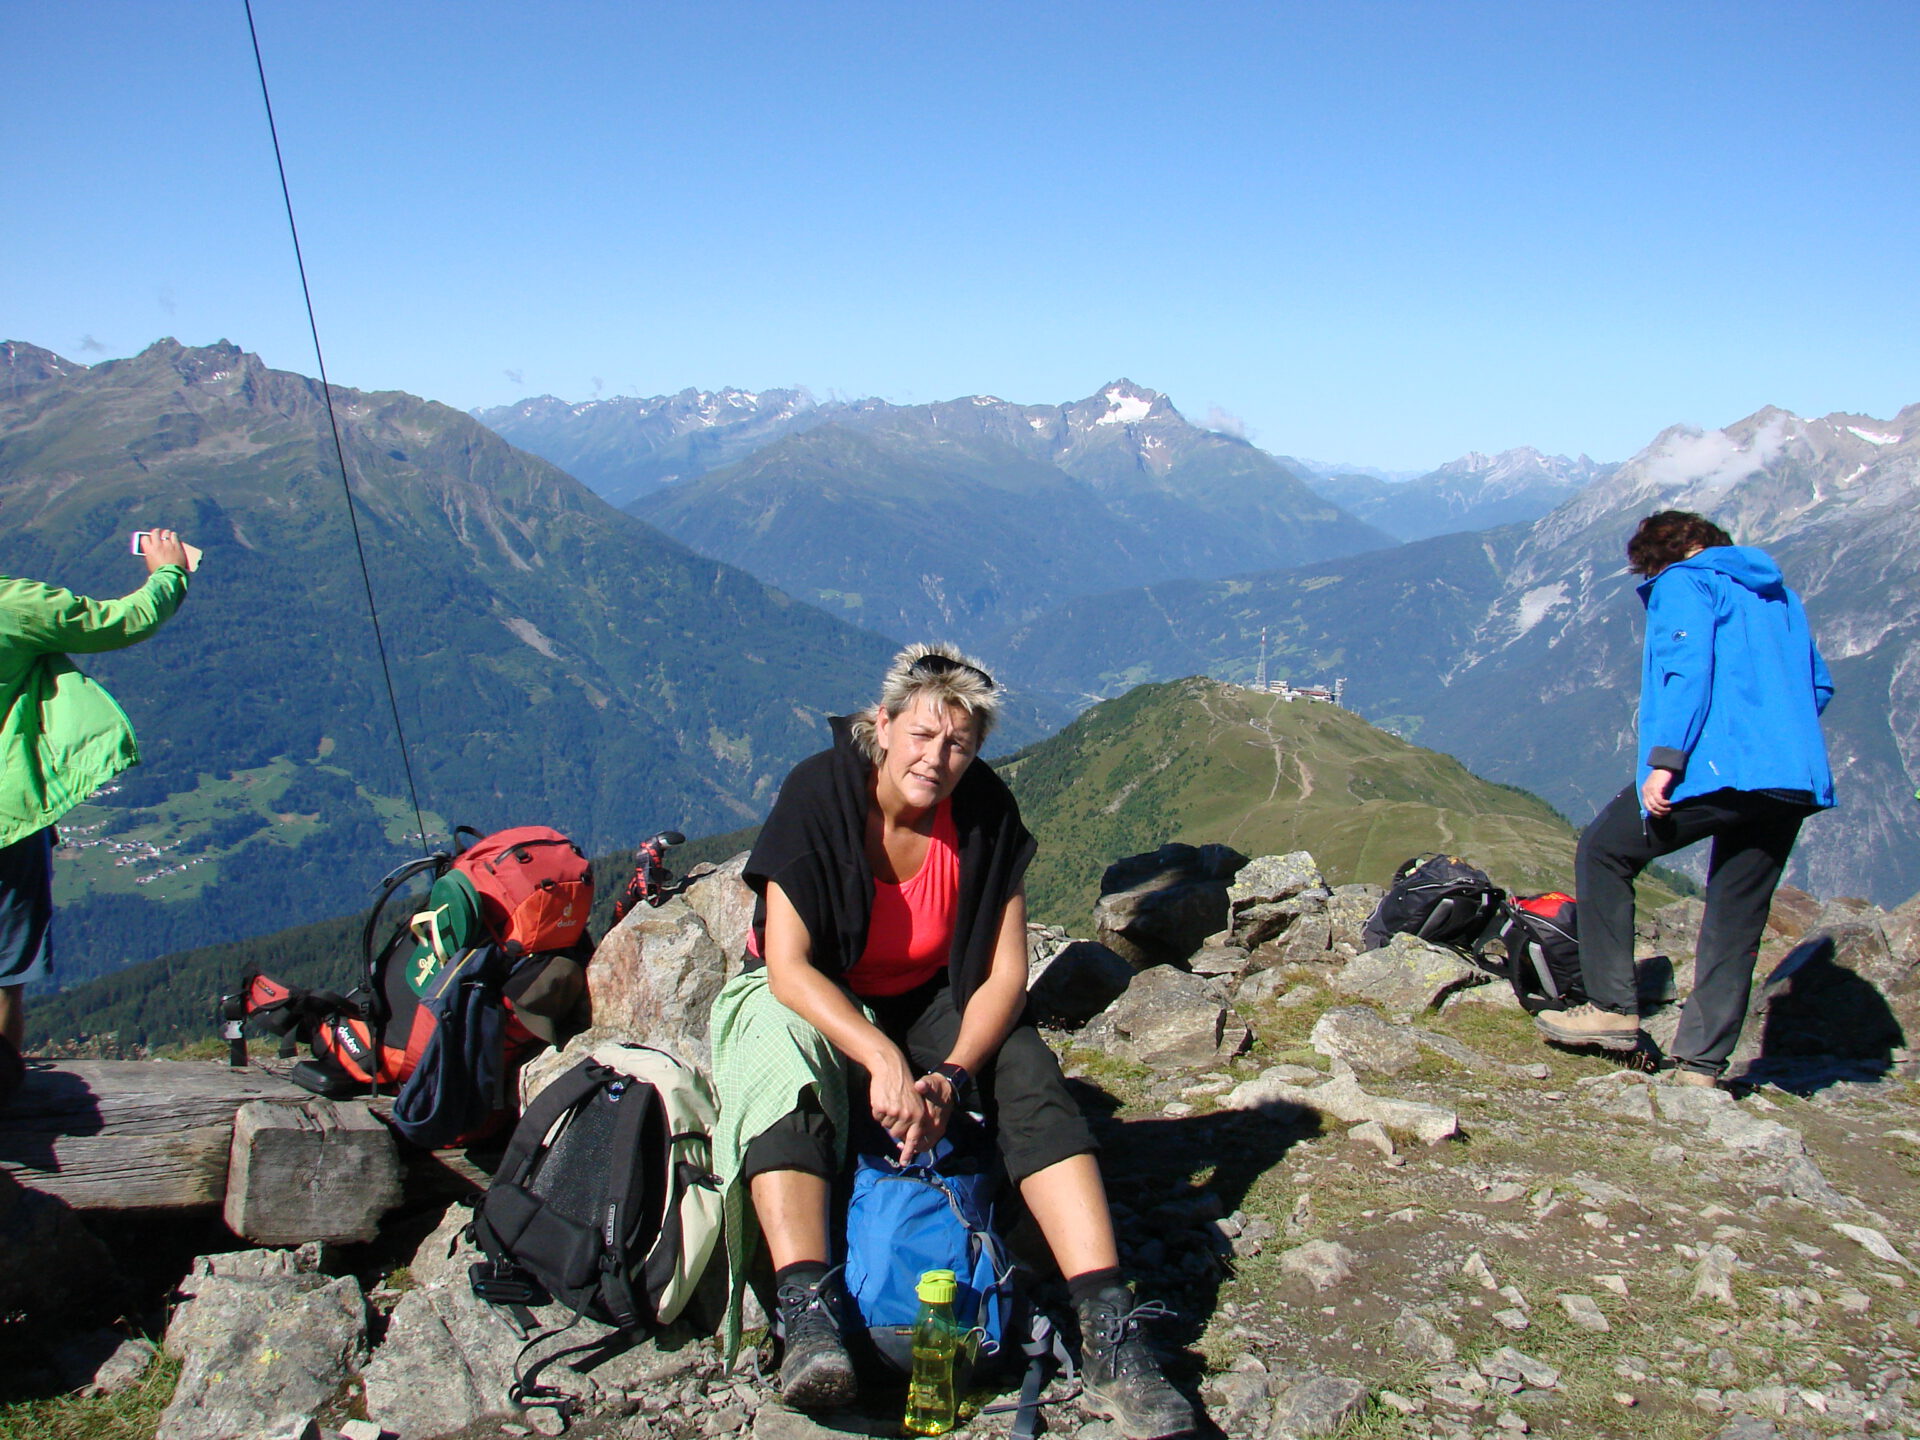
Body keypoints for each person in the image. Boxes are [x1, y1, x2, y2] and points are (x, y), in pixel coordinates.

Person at [710, 643, 1193, 1440]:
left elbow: (1004, 978)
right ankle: (809, 1312)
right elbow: (789, 970)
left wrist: (956, 1076)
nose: (937, 759)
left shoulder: (985, 816)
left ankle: (1109, 1324)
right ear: (883, 724)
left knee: (1026, 1062)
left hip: (930, 998)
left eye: (959, 744)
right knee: (777, 1055)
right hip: (822, 995)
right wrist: (882, 1059)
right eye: (924, 735)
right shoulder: (819, 795)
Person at [1536, 511, 1835, 1083]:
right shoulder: (1779, 595)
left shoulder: (1684, 581)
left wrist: (1666, 762)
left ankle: (1612, 1009)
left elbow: (1686, 670)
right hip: (1792, 778)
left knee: (1604, 850)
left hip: (1717, 767)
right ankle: (1701, 1064)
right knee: (1737, 912)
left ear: (1665, 553)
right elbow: (1817, 685)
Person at [0, 531, 193, 1085]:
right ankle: (4, 1098)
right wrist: (169, 573)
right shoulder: (12, 607)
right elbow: (120, 622)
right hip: (7, 826)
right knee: (3, 971)